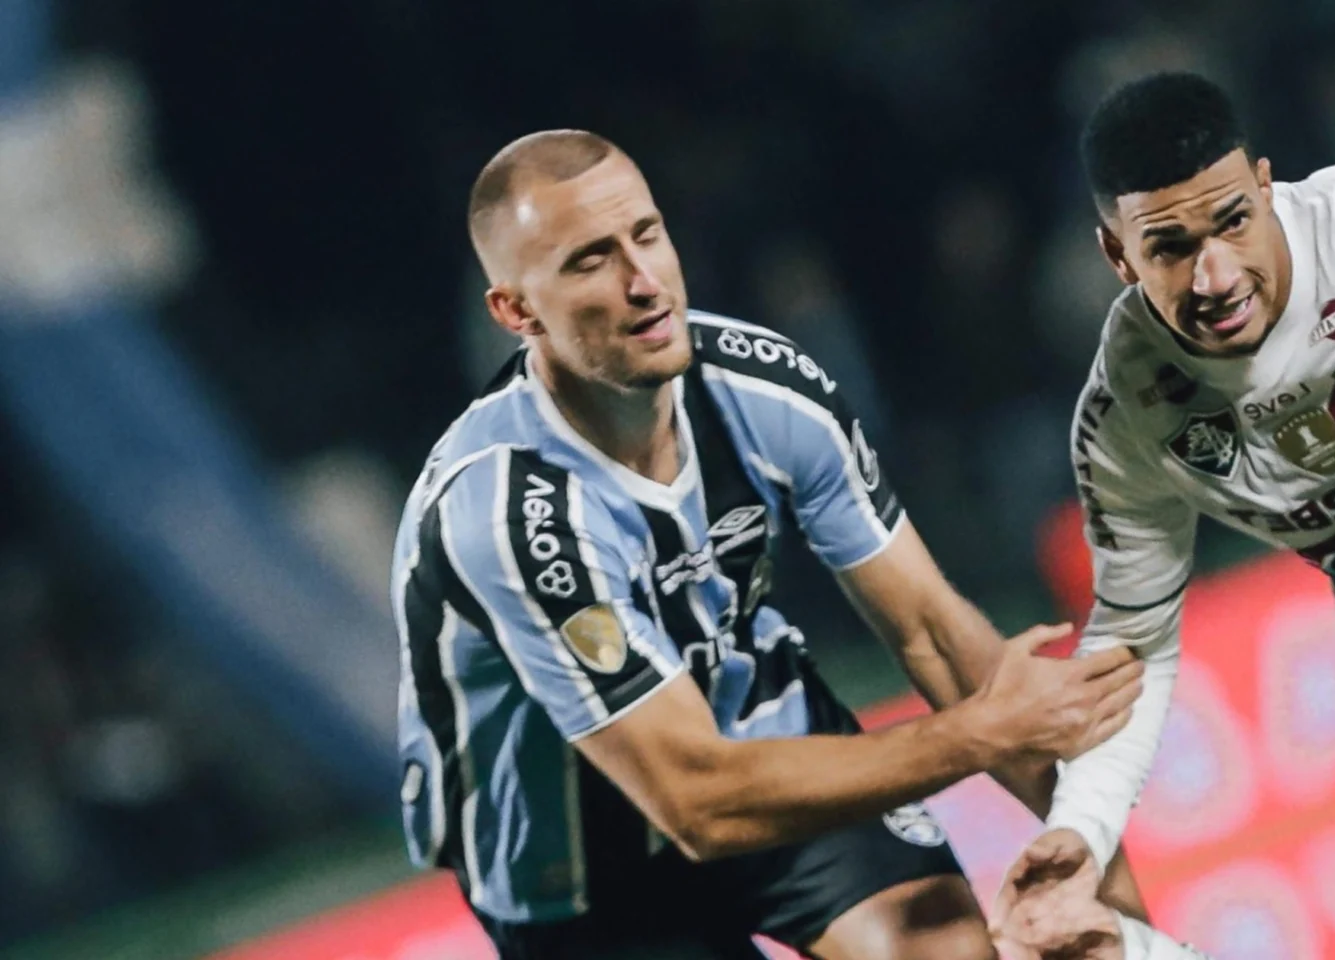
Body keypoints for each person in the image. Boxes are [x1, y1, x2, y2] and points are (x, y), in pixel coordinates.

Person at [391, 129, 1149, 960]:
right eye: (590, 261)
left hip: (765, 736)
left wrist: (1105, 875)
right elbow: (698, 800)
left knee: (938, 951)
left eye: (647, 235)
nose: (645, 284)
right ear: (516, 311)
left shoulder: (767, 388)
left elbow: (931, 630)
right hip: (577, 871)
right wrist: (984, 734)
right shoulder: (507, 512)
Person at [991, 72, 1335, 960]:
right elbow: (1133, 636)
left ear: (1267, 186)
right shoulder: (1131, 411)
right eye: (1169, 247)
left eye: (1234, 221)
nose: (1216, 275)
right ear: (1116, 256)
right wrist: (1083, 831)